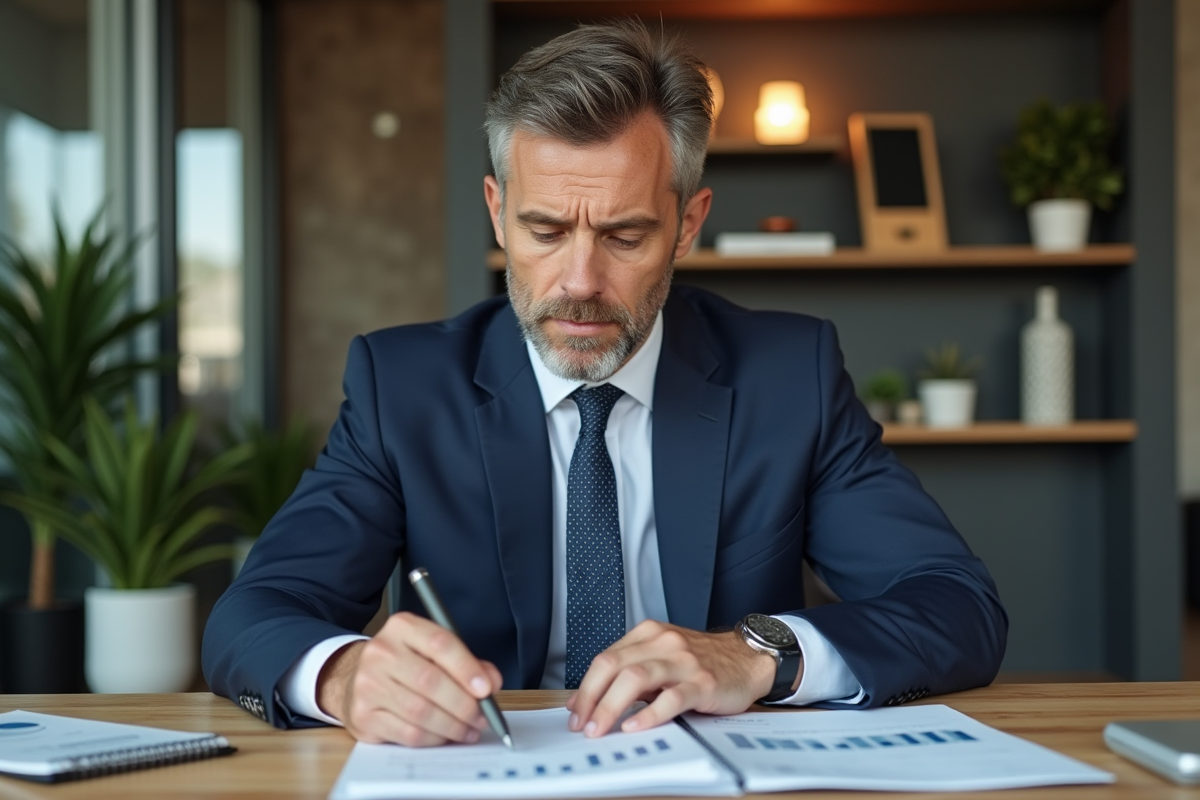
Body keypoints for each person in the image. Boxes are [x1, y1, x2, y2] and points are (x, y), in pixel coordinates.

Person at [202, 19, 1006, 748]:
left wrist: (756, 653)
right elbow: (254, 614)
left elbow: (955, 604)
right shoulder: (403, 388)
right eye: (544, 230)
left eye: (625, 234)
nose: (579, 281)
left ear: (687, 224)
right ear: (497, 211)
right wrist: (345, 676)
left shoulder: (788, 376)